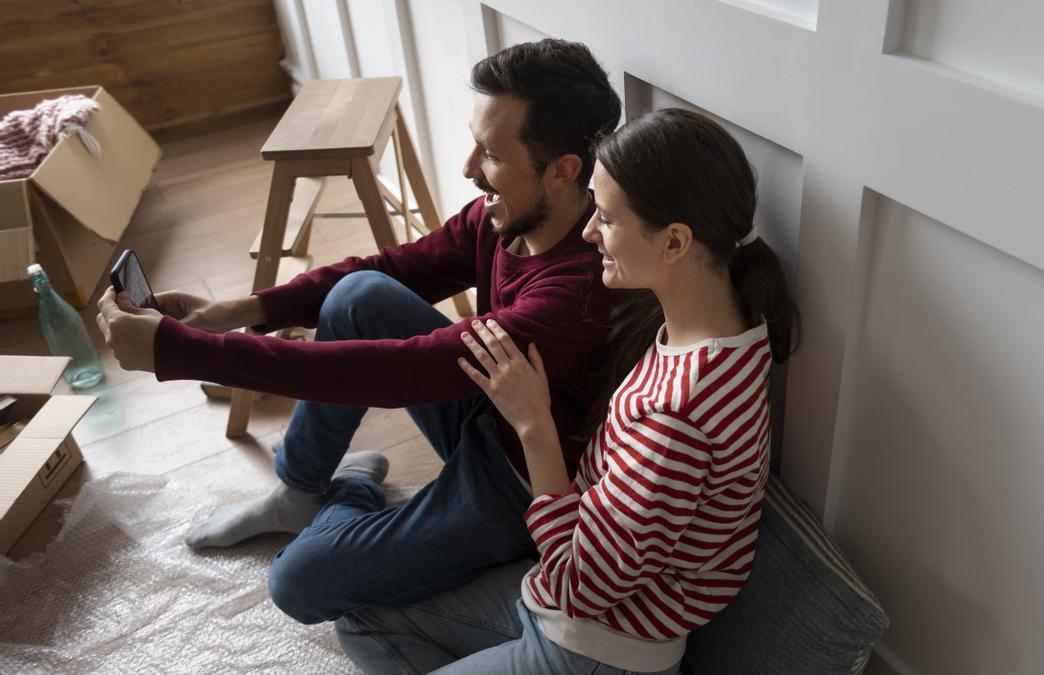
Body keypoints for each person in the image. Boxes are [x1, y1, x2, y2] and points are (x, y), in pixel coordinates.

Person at [95, 39, 622, 625]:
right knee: (358, 294)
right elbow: (391, 270)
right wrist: (231, 310)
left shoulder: (575, 293)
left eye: (490, 155)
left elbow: (392, 372)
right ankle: (299, 492)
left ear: (562, 172)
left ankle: (356, 492)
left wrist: (179, 351)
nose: (469, 169)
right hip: (488, 409)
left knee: (299, 582)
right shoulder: (503, 216)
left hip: (521, 476)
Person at [332, 108, 802, 674]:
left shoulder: (678, 416)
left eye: (605, 218)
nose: (587, 233)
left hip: (596, 649)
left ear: (675, 241)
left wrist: (535, 426)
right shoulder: (733, 332)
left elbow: (581, 587)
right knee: (358, 615)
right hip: (567, 609)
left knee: (362, 621)